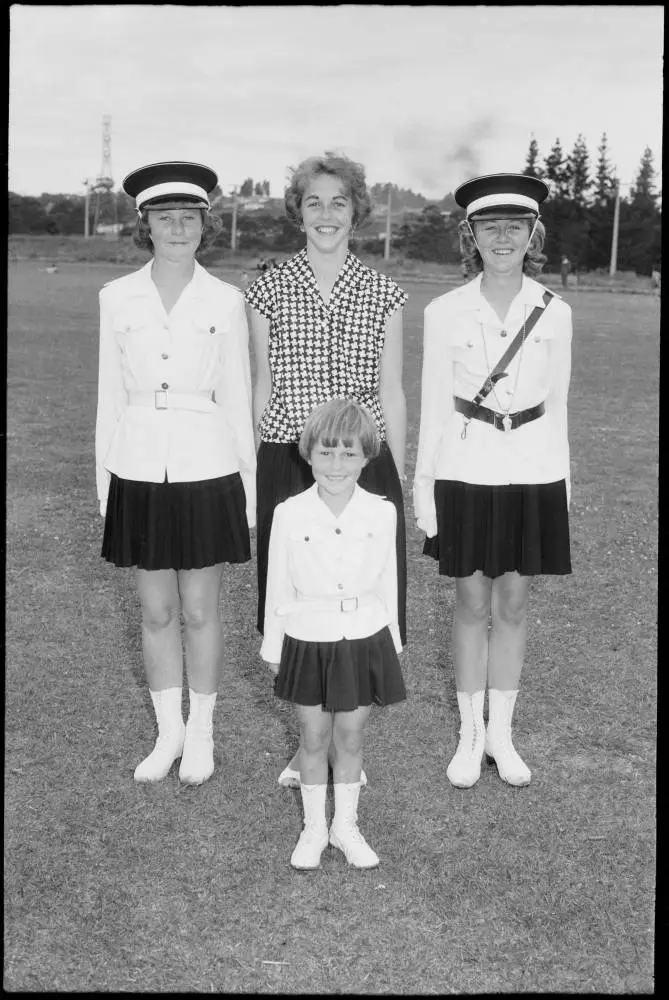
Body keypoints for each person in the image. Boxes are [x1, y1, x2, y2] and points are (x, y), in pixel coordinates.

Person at [245, 151, 408, 789]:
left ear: (356, 211)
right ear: (298, 212)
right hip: (290, 454)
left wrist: (397, 463)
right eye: (314, 202)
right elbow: (262, 385)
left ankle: (347, 746)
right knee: (295, 601)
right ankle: (306, 744)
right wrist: (259, 465)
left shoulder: (384, 291)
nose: (326, 214)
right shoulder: (266, 288)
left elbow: (391, 392)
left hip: (363, 462)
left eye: (338, 202)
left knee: (361, 601)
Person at [96, 161, 256, 786]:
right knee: (156, 611)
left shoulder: (226, 299)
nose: (179, 227)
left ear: (204, 225)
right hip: (137, 464)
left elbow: (238, 396)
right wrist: (104, 482)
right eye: (166, 217)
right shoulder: (116, 298)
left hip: (208, 465)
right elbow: (109, 396)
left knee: (199, 609)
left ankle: (203, 734)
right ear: (147, 225)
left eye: (190, 217)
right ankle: (168, 735)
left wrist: (245, 484)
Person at [413, 173, 572, 790]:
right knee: (471, 601)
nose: (501, 237)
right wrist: (425, 488)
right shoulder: (444, 310)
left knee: (512, 602)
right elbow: (432, 406)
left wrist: (562, 487)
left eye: (515, 226)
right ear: (470, 235)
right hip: (465, 465)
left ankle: (501, 734)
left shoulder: (556, 312)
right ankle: (469, 734)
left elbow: (559, 406)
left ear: (533, 235)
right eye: (489, 226)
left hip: (533, 470)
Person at [262, 399, 406, 869]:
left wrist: (393, 644)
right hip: (307, 635)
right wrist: (275, 646)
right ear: (308, 454)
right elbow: (277, 583)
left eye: (348, 454)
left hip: (364, 636)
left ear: (366, 457)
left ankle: (345, 826)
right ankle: (313, 829)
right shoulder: (289, 512)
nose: (336, 465)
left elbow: (389, 581)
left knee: (351, 734)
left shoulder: (382, 513)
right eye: (326, 453)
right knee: (313, 734)